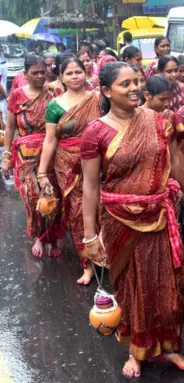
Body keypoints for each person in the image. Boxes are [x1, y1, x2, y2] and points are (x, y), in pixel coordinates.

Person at [81, 61, 184, 379]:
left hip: (161, 216)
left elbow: (176, 163)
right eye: (125, 84)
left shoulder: (160, 120)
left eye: (138, 81)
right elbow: (91, 186)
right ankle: (136, 350)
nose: (135, 88)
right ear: (107, 91)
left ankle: (170, 346)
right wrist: (90, 237)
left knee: (170, 286)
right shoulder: (96, 132)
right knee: (134, 288)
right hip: (120, 221)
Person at [37, 56, 102, 285]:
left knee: (103, 210)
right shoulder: (55, 106)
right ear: (62, 77)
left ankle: (108, 256)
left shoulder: (99, 99)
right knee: (77, 213)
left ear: (86, 73)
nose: (75, 77)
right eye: (69, 73)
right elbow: (50, 140)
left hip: (99, 161)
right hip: (67, 165)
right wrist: (42, 172)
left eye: (78, 72)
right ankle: (88, 264)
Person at [2, 55, 62, 258]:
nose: (39, 76)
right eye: (34, 73)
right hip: (26, 155)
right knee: (32, 196)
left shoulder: (54, 92)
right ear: (25, 74)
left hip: (51, 151)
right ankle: (39, 236)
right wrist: (6, 157)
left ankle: (52, 237)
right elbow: (10, 127)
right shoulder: (17, 95)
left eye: (42, 72)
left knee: (51, 195)